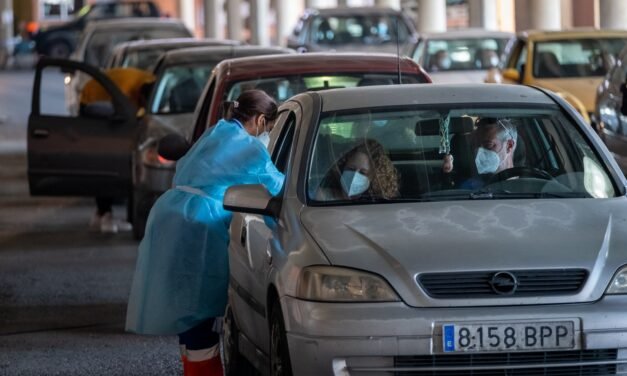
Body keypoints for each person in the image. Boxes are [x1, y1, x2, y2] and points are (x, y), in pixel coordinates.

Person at [125, 90, 283, 375]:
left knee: (189, 318)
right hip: (198, 226)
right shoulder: (250, 149)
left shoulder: (217, 131)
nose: (267, 135)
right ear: (261, 120)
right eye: (269, 129)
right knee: (201, 317)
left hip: (171, 215)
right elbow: (280, 189)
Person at [79, 67, 156, 233]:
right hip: (90, 100)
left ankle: (102, 213)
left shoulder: (150, 81)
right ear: (141, 95)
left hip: (106, 98)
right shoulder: (125, 91)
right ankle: (105, 214)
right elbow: (125, 114)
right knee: (104, 162)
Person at [316, 139, 399, 201]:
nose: (354, 176)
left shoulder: (377, 206)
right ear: (342, 167)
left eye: (363, 173)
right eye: (351, 169)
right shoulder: (321, 197)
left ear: (374, 178)